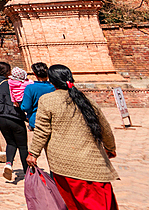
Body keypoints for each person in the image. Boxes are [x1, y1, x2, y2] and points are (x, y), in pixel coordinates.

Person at [27, 64, 118, 209]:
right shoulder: (87, 100)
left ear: (52, 81)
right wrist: (110, 148)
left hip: (63, 164)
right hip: (94, 164)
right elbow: (104, 128)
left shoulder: (47, 100)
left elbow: (42, 131)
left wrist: (33, 153)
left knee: (74, 204)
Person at [0, 61, 29, 181]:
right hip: (15, 116)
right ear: (7, 72)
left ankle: (8, 164)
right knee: (22, 146)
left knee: (10, 142)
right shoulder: (11, 83)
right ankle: (27, 172)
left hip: (1, 117)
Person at [21, 62, 56, 129]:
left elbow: (26, 107)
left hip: (36, 120)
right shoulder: (53, 87)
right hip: (52, 119)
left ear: (35, 74)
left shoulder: (30, 88)